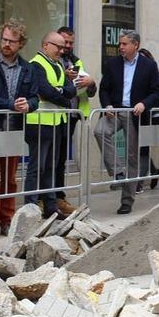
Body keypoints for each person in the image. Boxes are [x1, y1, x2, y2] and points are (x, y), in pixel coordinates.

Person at [0, 20, 39, 238]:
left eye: (12, 41)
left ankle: (7, 219)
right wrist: (11, 104)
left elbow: (34, 97)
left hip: (14, 128)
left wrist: (28, 105)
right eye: (4, 39)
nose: (6, 44)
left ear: (21, 43)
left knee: (11, 177)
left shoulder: (27, 67)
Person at [96, 31, 159, 214]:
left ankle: (127, 201)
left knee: (132, 157)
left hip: (134, 114)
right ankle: (118, 171)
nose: (121, 47)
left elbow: (157, 91)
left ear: (135, 45)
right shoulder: (113, 63)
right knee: (100, 131)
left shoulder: (148, 66)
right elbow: (104, 89)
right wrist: (107, 104)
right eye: (120, 44)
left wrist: (144, 103)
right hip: (115, 111)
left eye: (125, 44)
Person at [25, 32, 75, 218]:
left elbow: (71, 88)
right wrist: (65, 98)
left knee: (51, 168)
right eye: (58, 46)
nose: (61, 51)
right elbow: (45, 91)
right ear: (46, 45)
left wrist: (61, 92)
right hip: (39, 123)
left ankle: (51, 206)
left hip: (55, 122)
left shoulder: (58, 64)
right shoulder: (36, 64)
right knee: (36, 168)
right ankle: (29, 209)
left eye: (63, 47)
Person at [55, 26, 97, 214]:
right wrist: (65, 77)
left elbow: (89, 90)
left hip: (71, 115)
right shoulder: (51, 60)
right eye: (65, 41)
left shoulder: (75, 60)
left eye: (71, 42)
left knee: (61, 158)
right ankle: (47, 197)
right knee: (51, 159)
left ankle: (59, 196)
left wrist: (91, 83)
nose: (68, 45)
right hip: (53, 116)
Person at [134, 48, 159, 194]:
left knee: (145, 149)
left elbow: (157, 95)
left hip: (152, 117)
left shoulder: (154, 74)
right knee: (141, 149)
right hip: (140, 117)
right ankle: (154, 168)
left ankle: (140, 181)